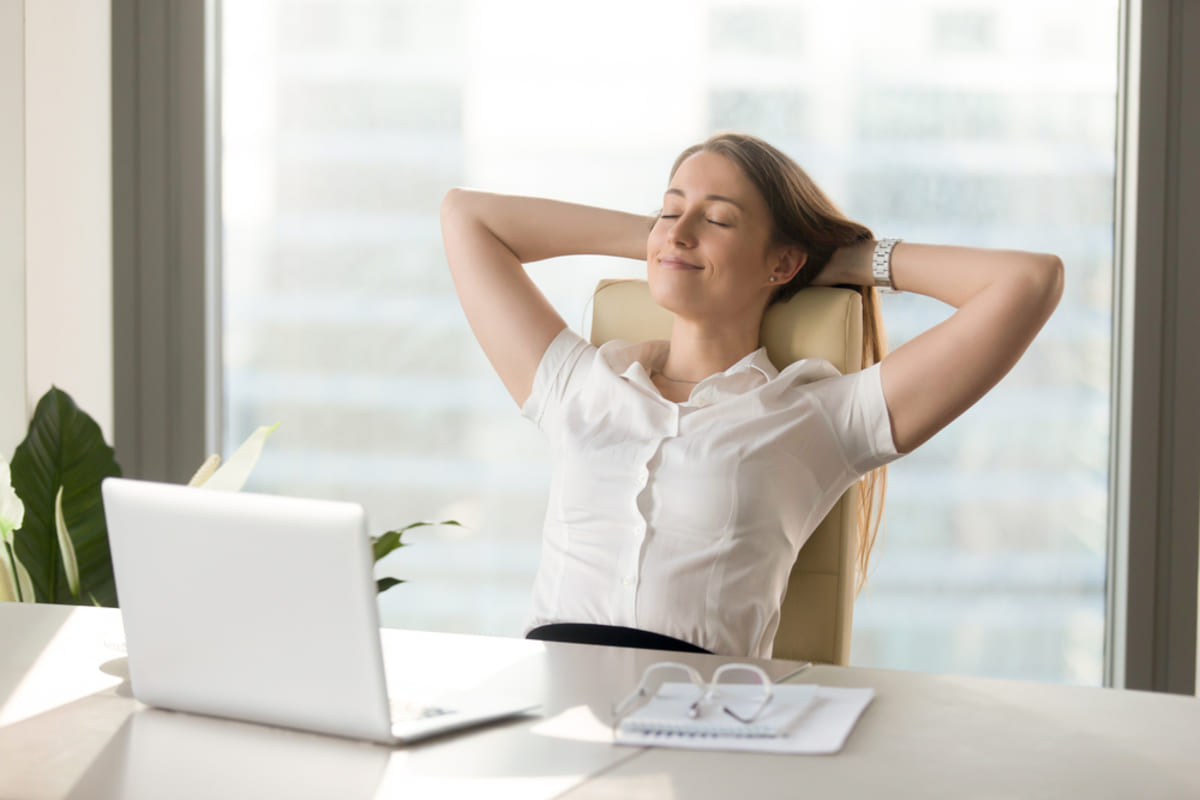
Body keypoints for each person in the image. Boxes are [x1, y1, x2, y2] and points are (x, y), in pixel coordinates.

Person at [440, 132, 1063, 659]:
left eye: (717, 219)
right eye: (669, 208)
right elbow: (466, 215)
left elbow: (1028, 281)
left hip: (703, 728)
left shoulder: (820, 418)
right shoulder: (578, 384)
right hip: (548, 711)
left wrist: (845, 259)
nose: (680, 230)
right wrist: (665, 244)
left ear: (782, 264)